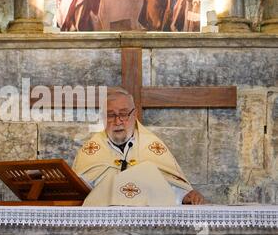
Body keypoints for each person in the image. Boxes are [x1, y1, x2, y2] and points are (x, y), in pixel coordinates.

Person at [72, 87, 204, 206]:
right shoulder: (91, 151)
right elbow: (79, 191)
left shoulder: (152, 147)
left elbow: (166, 184)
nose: (118, 122)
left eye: (123, 114)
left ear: (134, 115)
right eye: (111, 115)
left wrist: (183, 196)